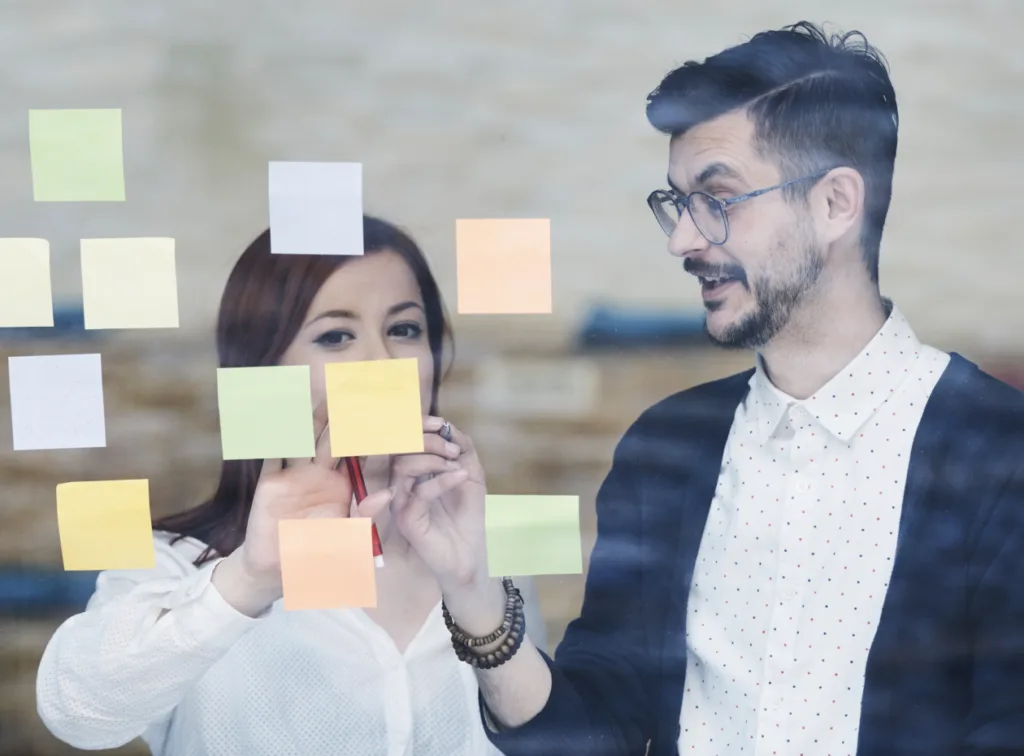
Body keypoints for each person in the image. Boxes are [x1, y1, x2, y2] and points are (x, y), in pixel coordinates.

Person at [373, 21, 1024, 756]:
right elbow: (597, 731)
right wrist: (474, 593)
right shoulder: (666, 450)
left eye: (718, 199)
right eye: (676, 203)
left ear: (837, 204)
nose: (682, 240)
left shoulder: (1001, 454)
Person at [35, 216, 547, 755]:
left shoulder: (486, 555)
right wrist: (250, 581)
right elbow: (78, 713)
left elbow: (552, 739)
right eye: (336, 336)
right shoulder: (178, 564)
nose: (380, 361)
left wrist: (475, 596)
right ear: (262, 368)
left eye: (404, 329)